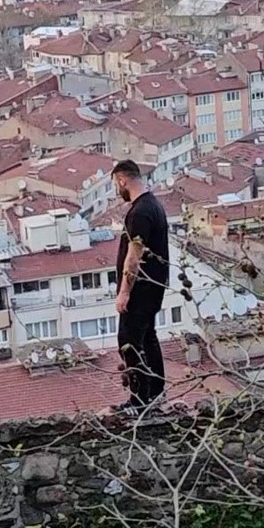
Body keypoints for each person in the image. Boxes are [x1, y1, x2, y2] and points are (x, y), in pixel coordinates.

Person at [111, 159, 169, 413]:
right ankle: (154, 396)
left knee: (129, 340)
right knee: (148, 338)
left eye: (117, 185)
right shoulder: (154, 205)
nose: (117, 191)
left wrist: (124, 292)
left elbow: (134, 256)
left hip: (141, 288)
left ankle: (139, 401)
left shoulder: (140, 213)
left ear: (123, 180)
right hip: (154, 285)